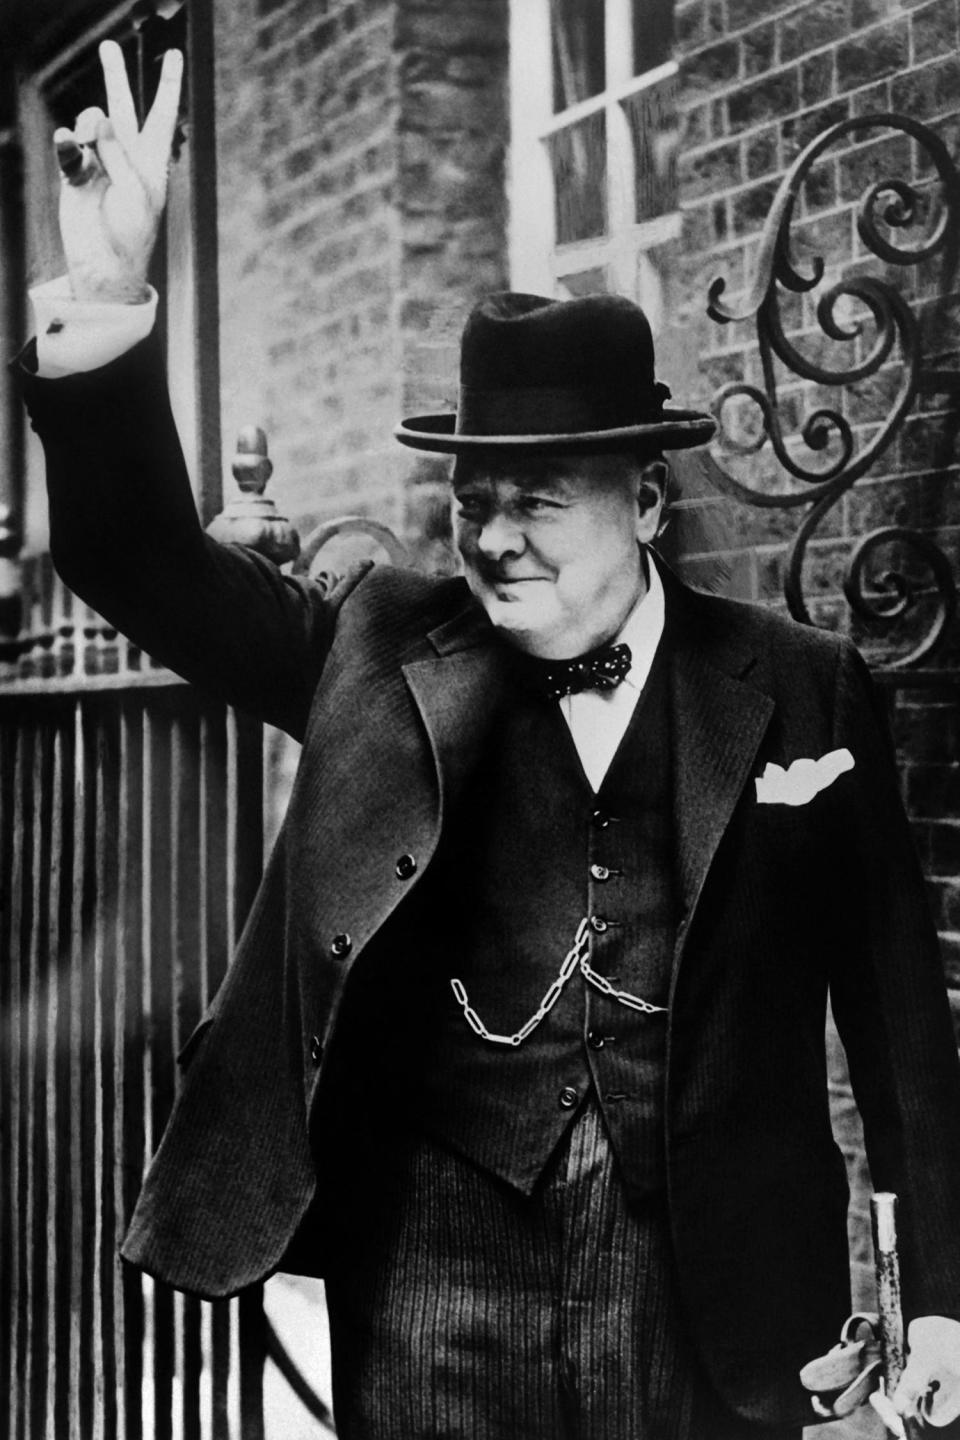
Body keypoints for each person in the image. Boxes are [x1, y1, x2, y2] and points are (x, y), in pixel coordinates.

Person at [16, 39, 960, 1440]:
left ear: (645, 500)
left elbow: (898, 1023)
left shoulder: (802, 688)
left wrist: (938, 1292)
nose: (494, 535)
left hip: (715, 1278)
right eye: (474, 497)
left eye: (540, 497)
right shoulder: (380, 646)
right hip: (436, 1274)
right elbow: (135, 555)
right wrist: (107, 301)